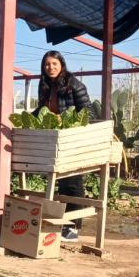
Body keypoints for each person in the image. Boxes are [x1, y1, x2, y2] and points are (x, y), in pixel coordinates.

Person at [36, 50, 92, 242]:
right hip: (55, 140)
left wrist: (67, 119)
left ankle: (75, 227)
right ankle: (64, 224)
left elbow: (88, 112)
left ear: (62, 65)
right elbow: (42, 110)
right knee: (61, 184)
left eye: (54, 64)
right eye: (47, 64)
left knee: (74, 182)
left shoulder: (74, 85)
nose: (50, 68)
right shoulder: (44, 86)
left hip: (73, 139)